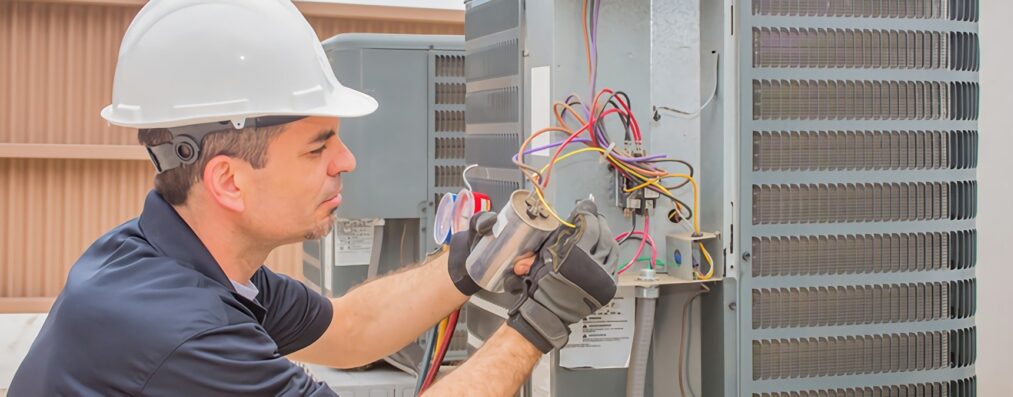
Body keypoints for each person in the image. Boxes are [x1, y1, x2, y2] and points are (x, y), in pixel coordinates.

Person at [8, 1, 620, 396]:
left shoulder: (173, 261)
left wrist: (469, 263)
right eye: (317, 146)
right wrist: (542, 322)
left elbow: (349, 328)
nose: (346, 161)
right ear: (228, 181)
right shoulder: (181, 336)